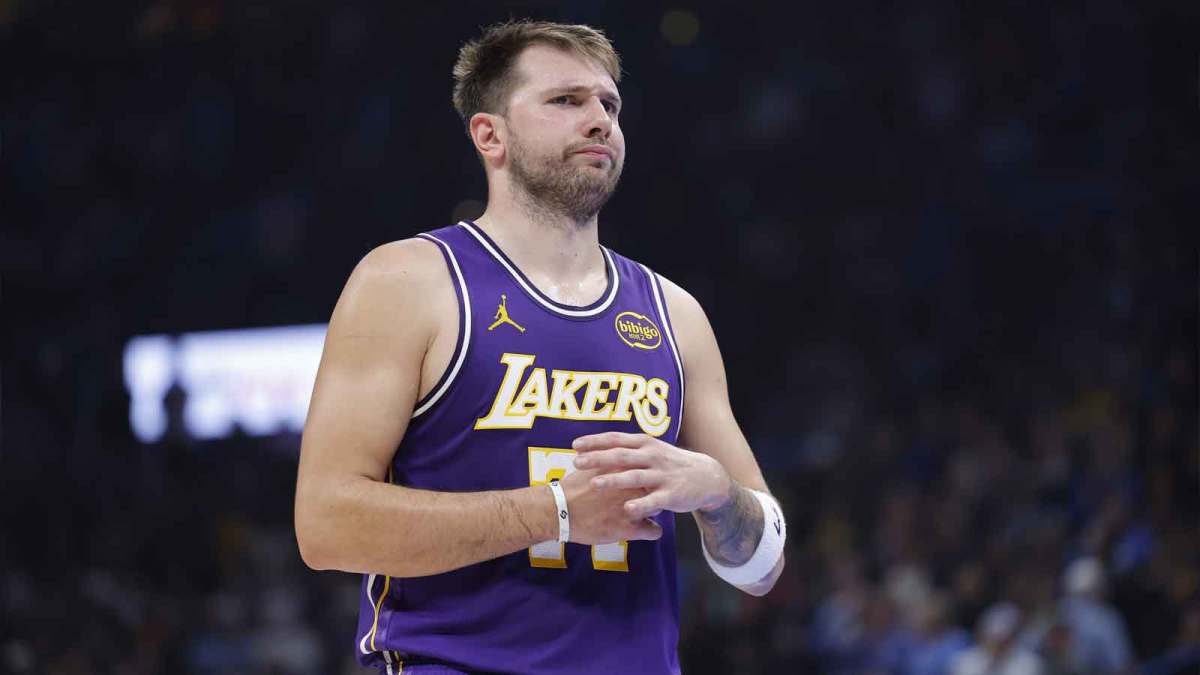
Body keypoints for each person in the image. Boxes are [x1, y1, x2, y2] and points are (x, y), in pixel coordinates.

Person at [294, 20, 785, 675]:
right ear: (489, 134)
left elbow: (761, 567)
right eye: (565, 101)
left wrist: (716, 491)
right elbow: (325, 524)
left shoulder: (675, 314)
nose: (599, 120)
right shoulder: (408, 281)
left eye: (609, 104)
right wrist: (554, 510)